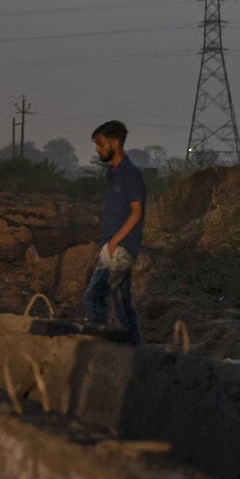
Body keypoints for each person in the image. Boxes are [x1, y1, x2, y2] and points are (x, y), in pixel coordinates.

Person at [84, 120, 145, 347]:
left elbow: (136, 212)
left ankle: (98, 350)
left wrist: (114, 243)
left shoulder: (130, 173)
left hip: (121, 247)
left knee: (94, 297)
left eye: (100, 144)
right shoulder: (114, 173)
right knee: (122, 303)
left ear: (115, 143)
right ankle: (137, 354)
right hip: (112, 245)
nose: (97, 149)